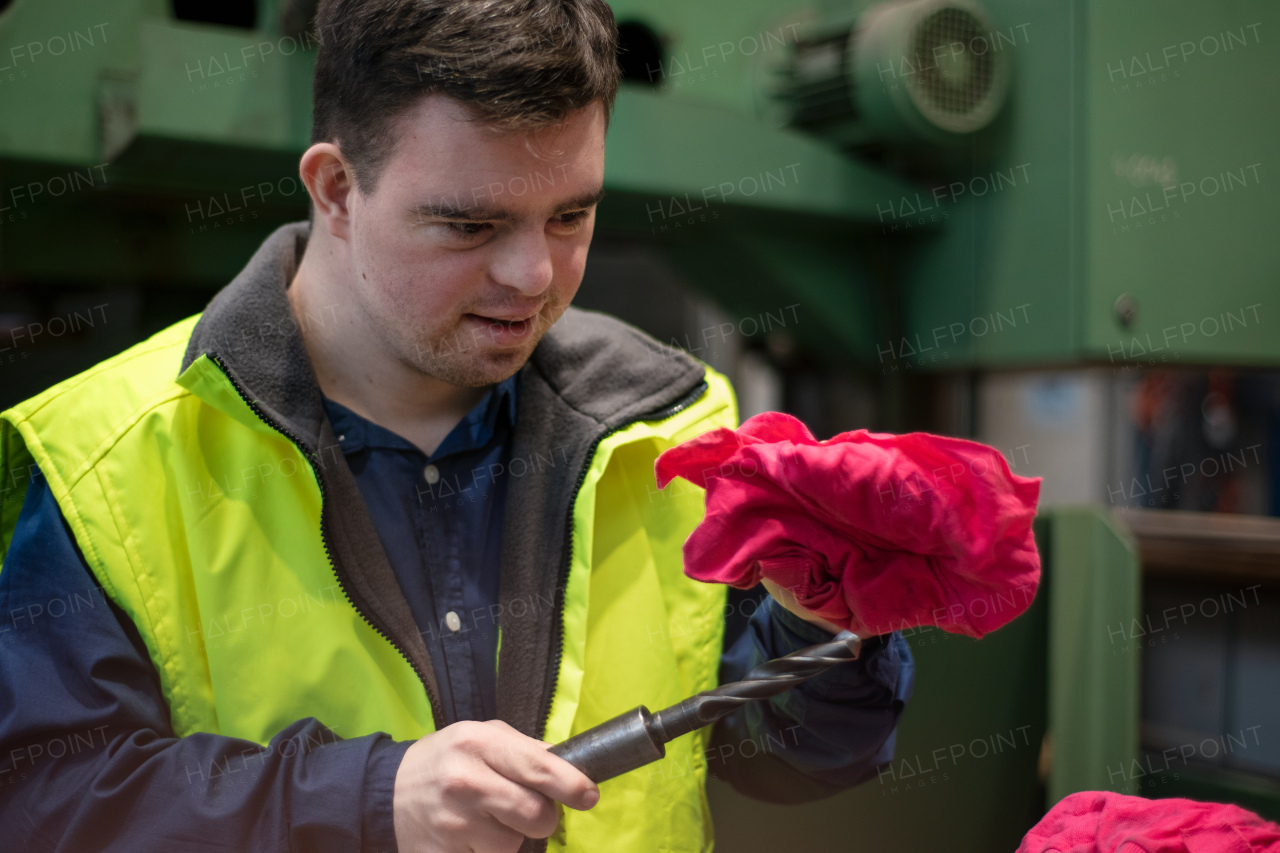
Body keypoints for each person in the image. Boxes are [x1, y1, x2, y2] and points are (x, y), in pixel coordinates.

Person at [0, 1, 913, 851]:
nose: (532, 276)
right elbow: (43, 802)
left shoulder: (671, 427)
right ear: (336, 189)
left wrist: (817, 623)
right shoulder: (113, 460)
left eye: (572, 215)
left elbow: (790, 758)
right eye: (471, 224)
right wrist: (367, 799)